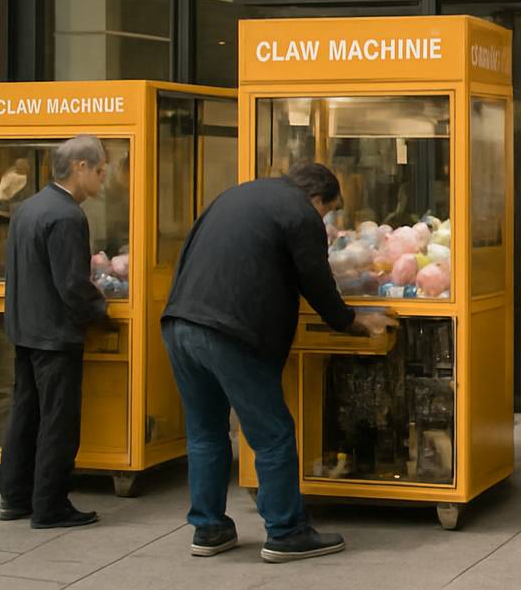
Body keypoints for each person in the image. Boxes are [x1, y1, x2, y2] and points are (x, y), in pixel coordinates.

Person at [161, 162, 392, 563]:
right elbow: (316, 279)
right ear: (317, 198)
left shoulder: (236, 194)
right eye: (327, 211)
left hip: (180, 323)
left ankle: (209, 527)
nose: (323, 219)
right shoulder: (299, 212)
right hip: (229, 333)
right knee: (273, 433)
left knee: (206, 432)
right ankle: (286, 531)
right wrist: (350, 321)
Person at [0, 135, 110, 529]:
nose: (102, 180)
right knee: (58, 421)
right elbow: (72, 285)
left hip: (25, 328)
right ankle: (50, 505)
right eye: (99, 171)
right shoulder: (66, 216)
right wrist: (101, 311)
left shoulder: (29, 207)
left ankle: (14, 497)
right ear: (80, 167)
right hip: (55, 335)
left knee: (25, 414)